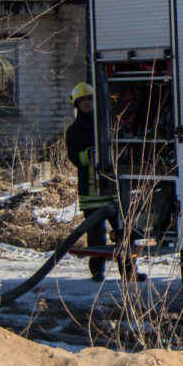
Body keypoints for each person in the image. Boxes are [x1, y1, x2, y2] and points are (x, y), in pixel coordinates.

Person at [65, 82, 144, 282]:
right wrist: (91, 155)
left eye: (89, 99)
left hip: (112, 190)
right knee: (95, 236)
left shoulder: (107, 124)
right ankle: (97, 271)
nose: (87, 103)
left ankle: (129, 271)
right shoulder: (73, 131)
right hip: (91, 193)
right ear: (77, 104)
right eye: (82, 100)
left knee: (123, 232)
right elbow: (74, 157)